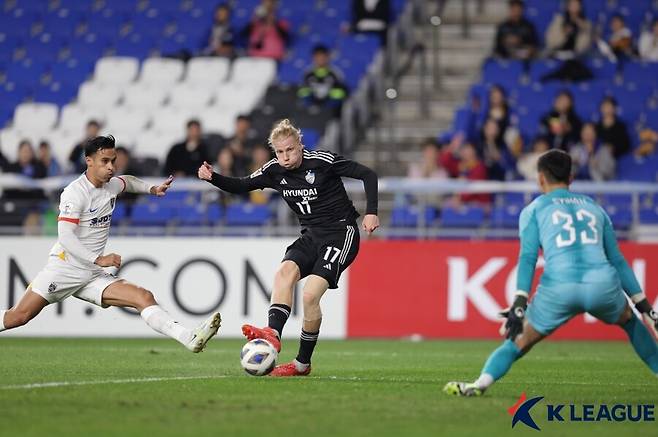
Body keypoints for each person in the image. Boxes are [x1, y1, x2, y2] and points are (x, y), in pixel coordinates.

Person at [444, 150, 658, 397]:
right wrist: (645, 309)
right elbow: (618, 261)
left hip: (560, 288)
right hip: (602, 284)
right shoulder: (595, 208)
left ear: (540, 179)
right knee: (631, 323)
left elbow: (527, 258)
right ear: (571, 178)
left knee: (518, 342)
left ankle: (480, 383)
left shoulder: (534, 210)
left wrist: (519, 303)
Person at [0, 135, 221, 349]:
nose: (111, 167)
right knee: (18, 317)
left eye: (113, 161)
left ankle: (189, 337)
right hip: (65, 268)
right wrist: (98, 258)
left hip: (92, 274)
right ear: (89, 161)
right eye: (104, 161)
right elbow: (66, 236)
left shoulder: (111, 185)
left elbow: (128, 182)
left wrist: (152, 189)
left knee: (143, 296)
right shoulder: (74, 193)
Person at [198, 119, 379, 376]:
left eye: (290, 150)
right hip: (310, 236)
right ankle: (272, 335)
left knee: (309, 295)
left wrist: (371, 212)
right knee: (283, 274)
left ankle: (302, 365)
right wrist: (212, 177)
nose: (285, 156)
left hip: (341, 233)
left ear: (300, 146)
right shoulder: (274, 170)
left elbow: (367, 174)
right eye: (280, 151)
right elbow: (242, 186)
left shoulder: (322, 161)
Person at [297, 44, 348, 115]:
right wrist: (311, 105)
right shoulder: (308, 74)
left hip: (331, 111)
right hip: (311, 110)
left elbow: (339, 94)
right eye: (317, 56)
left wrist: (326, 107)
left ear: (327, 57)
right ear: (313, 57)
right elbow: (303, 92)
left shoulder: (335, 73)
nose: (320, 59)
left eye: (323, 56)